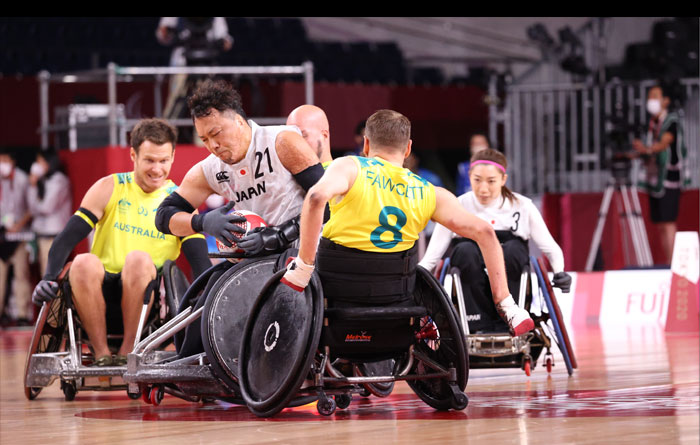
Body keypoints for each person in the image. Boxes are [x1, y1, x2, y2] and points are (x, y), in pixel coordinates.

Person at [281, 109, 534, 337]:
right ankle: (509, 307)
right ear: (408, 148)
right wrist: (504, 301)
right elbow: (485, 233)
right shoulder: (431, 192)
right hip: (395, 297)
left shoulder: (349, 166)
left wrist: (304, 267)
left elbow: (315, 198)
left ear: (366, 145)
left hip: (338, 292)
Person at [154, 79, 326, 356]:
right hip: (252, 255)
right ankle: (194, 366)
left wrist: (280, 234)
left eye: (216, 133)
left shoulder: (282, 141)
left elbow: (327, 205)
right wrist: (202, 223)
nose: (212, 145)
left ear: (239, 121)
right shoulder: (210, 169)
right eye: (205, 139)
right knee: (205, 304)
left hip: (299, 251)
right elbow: (163, 217)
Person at [31, 118, 210, 366]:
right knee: (82, 261)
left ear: (173, 157)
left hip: (151, 302)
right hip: (97, 291)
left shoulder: (180, 203)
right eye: (149, 160)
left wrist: (211, 295)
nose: (157, 169)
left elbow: (200, 260)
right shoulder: (109, 187)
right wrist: (49, 277)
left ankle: (128, 352)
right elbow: (67, 238)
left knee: (138, 259)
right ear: (133, 155)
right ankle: (101, 353)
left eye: (163, 161)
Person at [419, 147, 572, 334]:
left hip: (511, 255)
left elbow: (550, 247)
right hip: (469, 255)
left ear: (503, 179)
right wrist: (417, 279)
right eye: (477, 180)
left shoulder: (523, 205)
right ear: (469, 177)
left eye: (491, 181)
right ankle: (476, 322)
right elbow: (432, 256)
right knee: (466, 251)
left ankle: (509, 318)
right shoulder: (457, 205)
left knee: (513, 251)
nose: (483, 189)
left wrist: (559, 271)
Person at [632, 81, 689, 265]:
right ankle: (669, 262)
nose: (651, 101)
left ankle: (674, 264)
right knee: (661, 224)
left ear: (665, 100)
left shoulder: (671, 121)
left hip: (669, 178)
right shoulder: (652, 123)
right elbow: (652, 147)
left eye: (655, 97)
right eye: (649, 97)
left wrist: (648, 149)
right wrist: (641, 151)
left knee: (668, 222)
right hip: (655, 178)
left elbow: (664, 143)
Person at [26, 147, 73, 279]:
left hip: (54, 234)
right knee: (45, 273)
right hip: (42, 233)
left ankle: (56, 300)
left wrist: (37, 203)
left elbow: (46, 207)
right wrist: (33, 186)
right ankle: (49, 300)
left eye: (40, 161)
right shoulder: (43, 180)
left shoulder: (59, 180)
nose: (37, 165)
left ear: (50, 162)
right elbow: (32, 208)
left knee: (52, 275)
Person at [0, 149, 33, 326]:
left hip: (20, 235)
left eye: (4, 159)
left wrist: (18, 225)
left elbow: (32, 207)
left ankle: (22, 314)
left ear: (12, 161)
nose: (2, 164)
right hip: (2, 235)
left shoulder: (23, 179)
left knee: (21, 274)